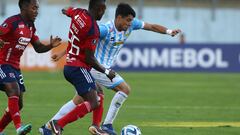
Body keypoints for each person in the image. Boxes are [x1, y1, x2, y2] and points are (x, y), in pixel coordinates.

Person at [41, 3, 181, 135]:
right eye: (127, 20)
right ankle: (106, 125)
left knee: (79, 100)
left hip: (97, 68)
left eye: (131, 21)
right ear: (118, 17)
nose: (129, 24)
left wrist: (169, 31)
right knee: (124, 89)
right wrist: (62, 53)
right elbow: (83, 41)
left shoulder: (132, 25)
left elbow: (151, 26)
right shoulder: (104, 29)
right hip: (97, 67)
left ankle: (47, 127)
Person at [39, 0, 115, 135]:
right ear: (100, 8)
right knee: (94, 101)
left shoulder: (78, 12)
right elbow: (89, 58)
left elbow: (66, 9)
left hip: (70, 65)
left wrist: (66, 11)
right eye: (104, 10)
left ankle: (95, 126)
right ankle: (57, 123)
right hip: (78, 68)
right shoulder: (93, 29)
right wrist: (106, 71)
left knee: (98, 91)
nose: (104, 13)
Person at [0, 0, 62, 135]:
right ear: (24, 7)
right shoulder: (12, 22)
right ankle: (19, 128)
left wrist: (50, 46)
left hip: (15, 67)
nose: (36, 11)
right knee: (14, 90)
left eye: (37, 8)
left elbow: (38, 47)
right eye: (34, 8)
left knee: (19, 103)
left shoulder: (31, 26)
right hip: (2, 63)